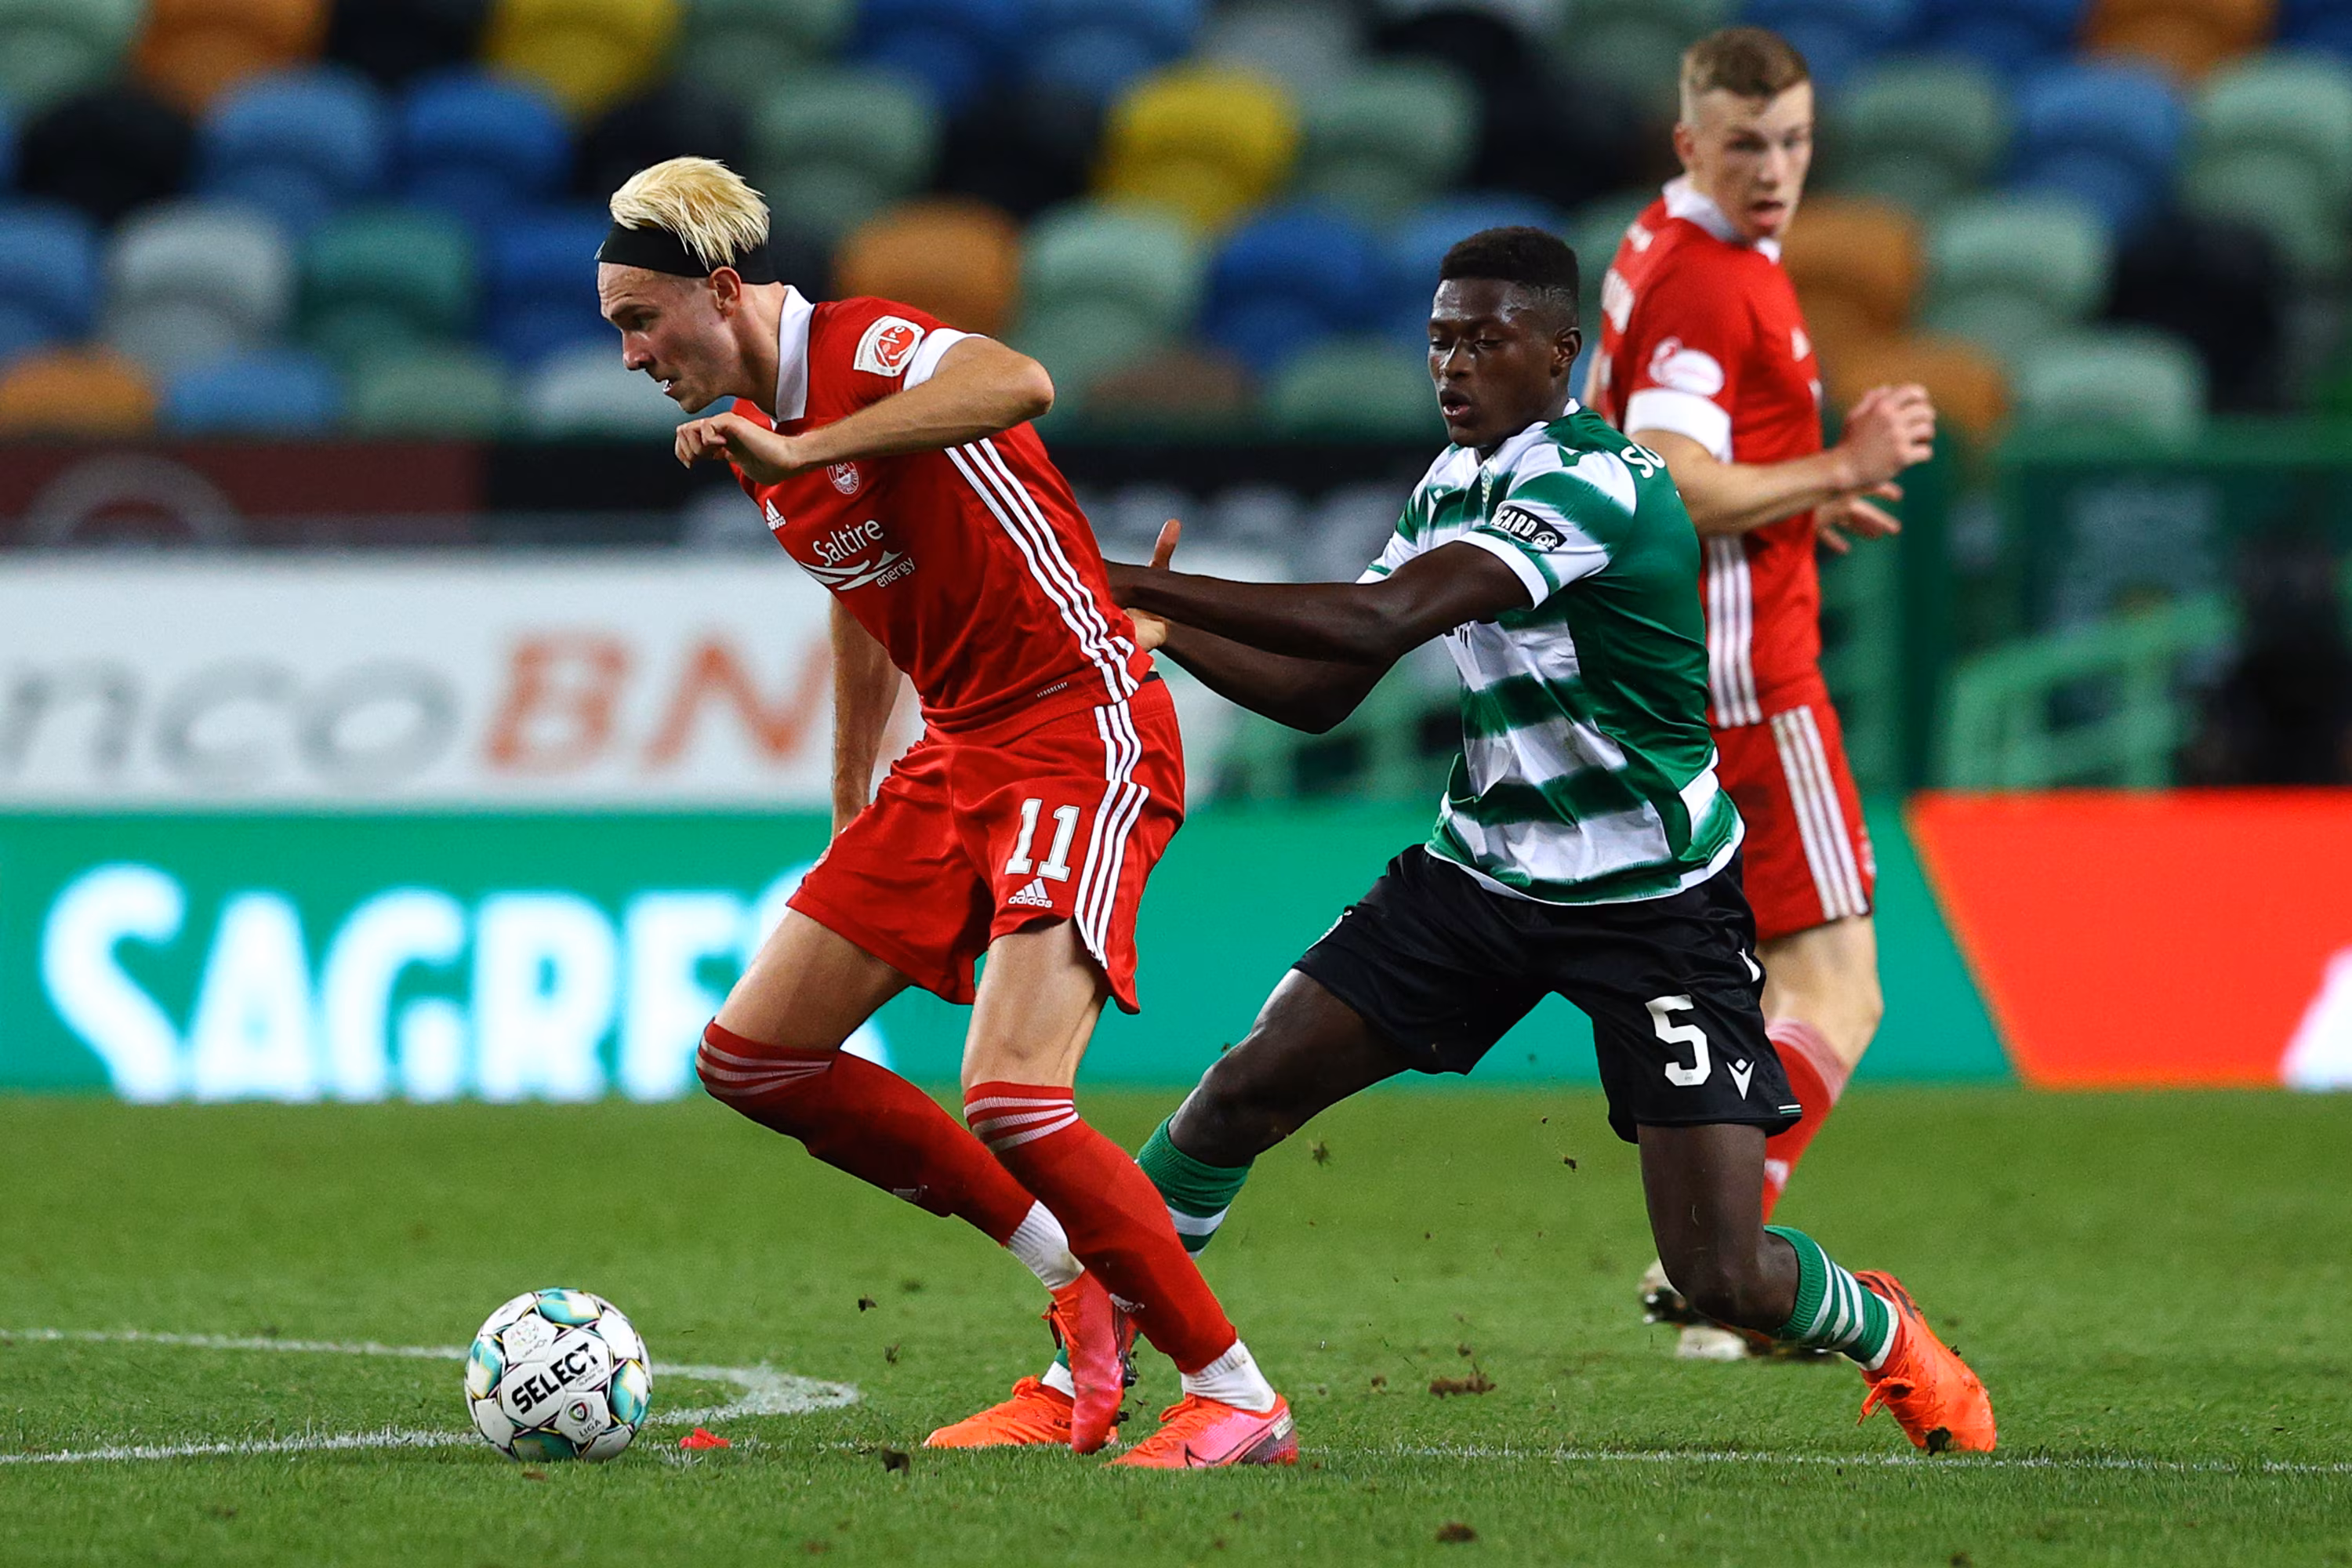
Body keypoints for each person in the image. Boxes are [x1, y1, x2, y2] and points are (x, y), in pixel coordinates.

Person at [1102, 226, 1995, 1454]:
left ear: (1562, 350)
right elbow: (1322, 693)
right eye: (1438, 341)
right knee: (1240, 1091)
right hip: (1480, 877)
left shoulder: (1597, 481)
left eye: (1486, 338)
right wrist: (1170, 641)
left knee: (1722, 1274)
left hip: (1653, 900)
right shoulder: (1449, 483)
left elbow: (1377, 621)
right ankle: (1083, 1368)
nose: (1453, 364)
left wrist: (1136, 585)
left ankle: (1887, 1332)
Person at [595, 156, 1293, 1468]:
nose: (630, 354)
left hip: (1077, 727)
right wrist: (852, 790)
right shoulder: (759, 435)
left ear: (724, 291)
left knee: (1015, 1097)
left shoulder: (864, 349)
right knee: (755, 1058)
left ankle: (1237, 1393)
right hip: (956, 752)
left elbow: (1019, 381)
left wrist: (806, 445)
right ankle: (1074, 1279)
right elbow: (861, 588)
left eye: (641, 320)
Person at [1584, 27, 1938, 1358]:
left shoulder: (1661, 243)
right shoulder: (1713, 281)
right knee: (1836, 990)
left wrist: (1795, 500)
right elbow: (1672, 479)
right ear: (1691, 142)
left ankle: (1712, 1261)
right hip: (1747, 685)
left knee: (1750, 989)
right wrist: (1840, 469)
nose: (1776, 168)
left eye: (1794, 141)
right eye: (1746, 143)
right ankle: (1720, 1267)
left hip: (1675, 674)